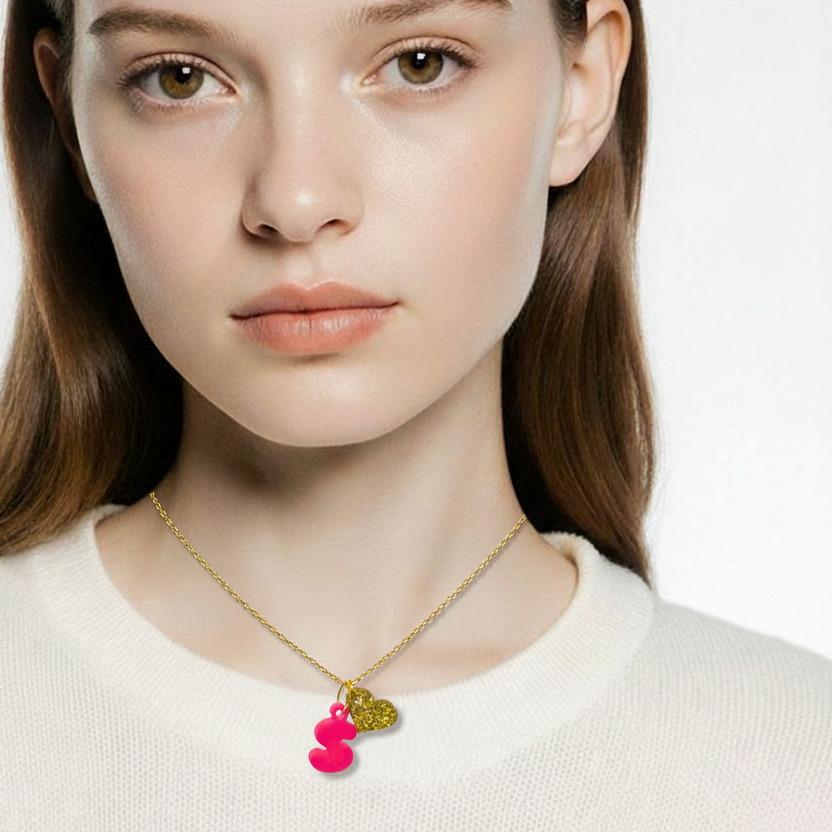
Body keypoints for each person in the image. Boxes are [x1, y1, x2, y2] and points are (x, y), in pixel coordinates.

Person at [0, 0, 829, 827]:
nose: (295, 200)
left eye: (419, 64)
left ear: (582, 87)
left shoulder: (792, 762)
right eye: (178, 79)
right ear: (70, 118)